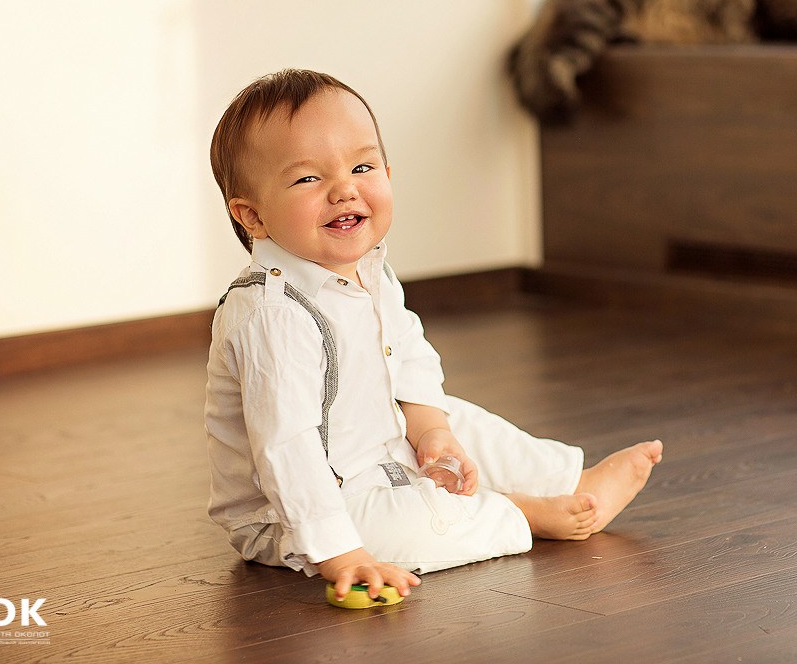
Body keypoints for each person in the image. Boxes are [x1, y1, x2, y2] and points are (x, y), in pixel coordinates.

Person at [205, 69, 663, 602]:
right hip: (295, 511)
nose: (345, 189)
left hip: (380, 447)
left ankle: (570, 485)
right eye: (308, 178)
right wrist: (339, 551)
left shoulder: (370, 271)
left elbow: (409, 359)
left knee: (461, 418)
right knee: (405, 530)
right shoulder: (269, 313)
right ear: (252, 215)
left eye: (362, 166)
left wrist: (431, 434)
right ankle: (521, 513)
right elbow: (286, 449)